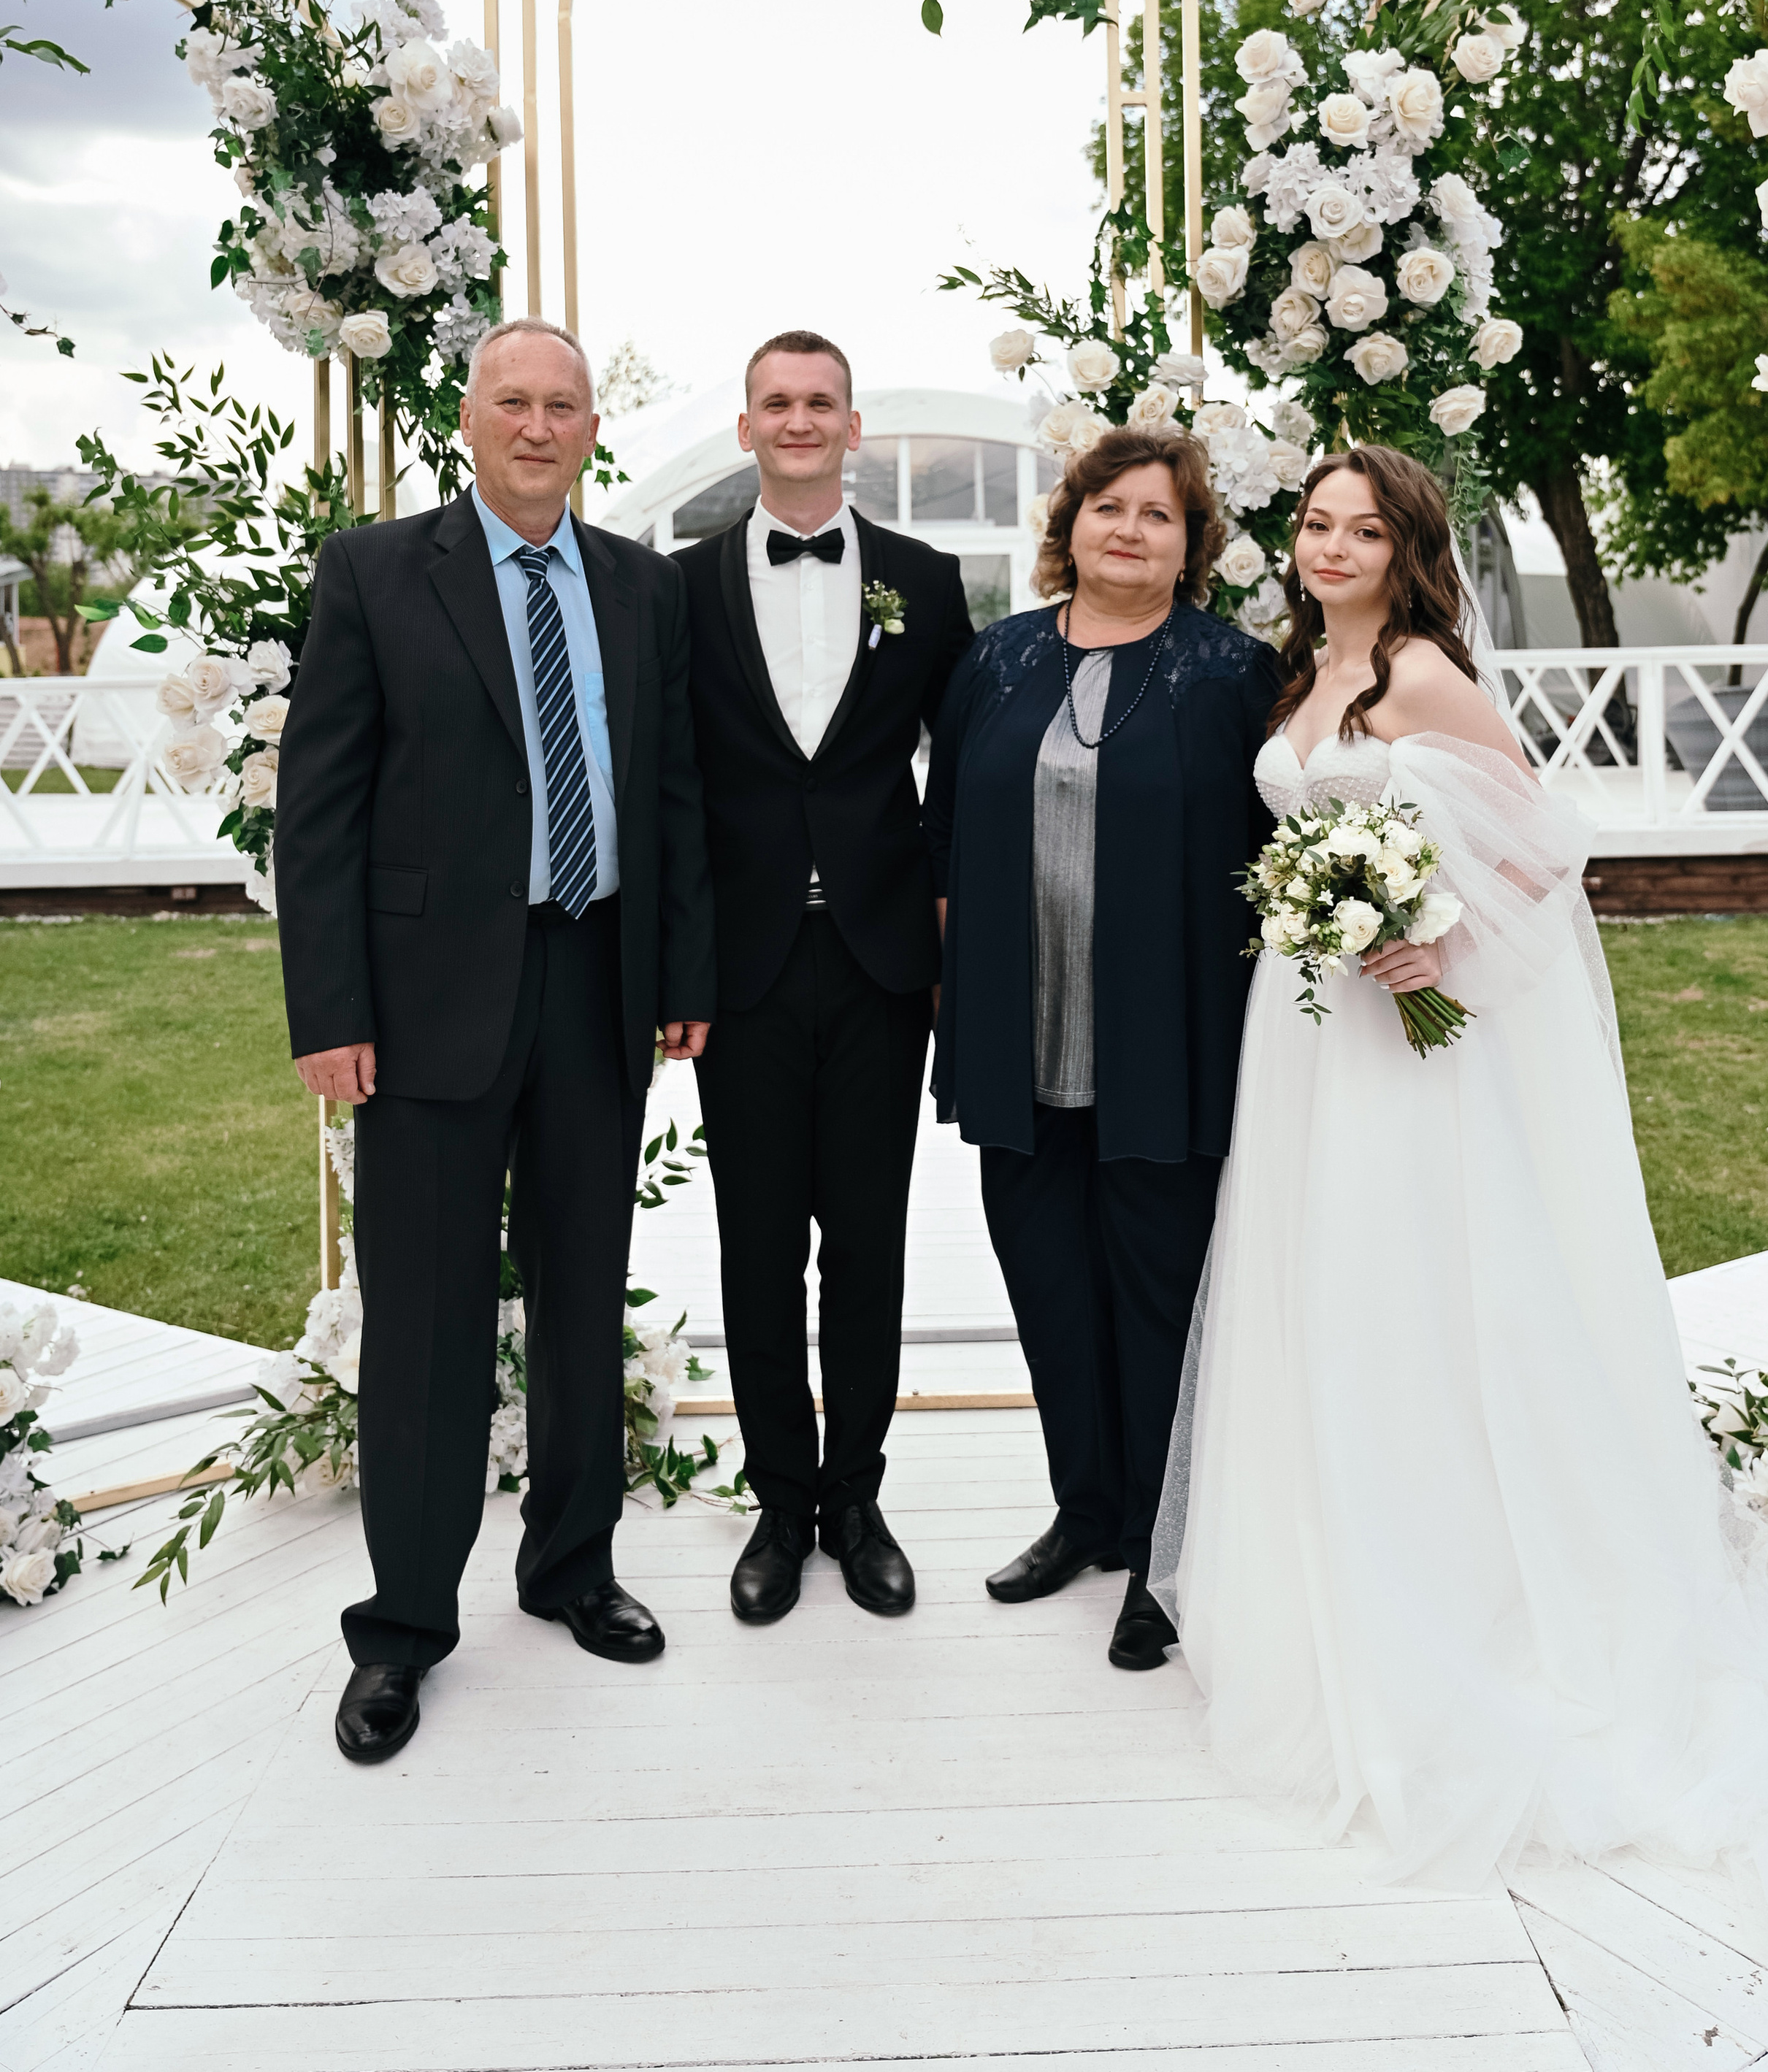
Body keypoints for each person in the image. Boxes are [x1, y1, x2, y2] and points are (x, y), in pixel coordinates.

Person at [1152, 443, 1768, 1979]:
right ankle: (1327, 1585)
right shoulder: (1302, 673)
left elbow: (1544, 847)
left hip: (1406, 1044)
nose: (1329, 547)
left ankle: (1471, 1592)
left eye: (1360, 530)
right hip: (1308, 1034)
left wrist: (1436, 940)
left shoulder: (1418, 674)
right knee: (1318, 1294)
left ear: (1405, 548)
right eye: (1315, 524)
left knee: (1413, 1292)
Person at [275, 315, 714, 1765]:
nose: (536, 427)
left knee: (585, 1296)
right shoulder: (374, 573)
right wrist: (331, 1012)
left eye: (561, 406)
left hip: (598, 985)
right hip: (422, 1005)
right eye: (511, 402)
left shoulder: (643, 588)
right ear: (468, 422)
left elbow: (670, 796)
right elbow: (318, 811)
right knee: (425, 1322)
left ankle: (571, 1567)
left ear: (591, 428)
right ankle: (403, 1624)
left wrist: (680, 972)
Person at [925, 425, 1282, 1671]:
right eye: (1108, 507)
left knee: (1157, 1300)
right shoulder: (997, 660)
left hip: (1165, 1043)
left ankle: (1159, 1549)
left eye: (1158, 515)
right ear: (1069, 524)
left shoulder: (1232, 672)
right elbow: (943, 840)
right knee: (1048, 1289)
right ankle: (1082, 1512)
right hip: (1016, 1035)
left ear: (1192, 546)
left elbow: (1271, 858)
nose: (1129, 530)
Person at [675, 331, 976, 1624]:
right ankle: (779, 1504)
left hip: (877, 959)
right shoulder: (678, 587)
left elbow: (962, 774)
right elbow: (666, 787)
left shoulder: (925, 580)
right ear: (746, 427)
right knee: (756, 1246)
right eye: (775, 404)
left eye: (820, 404)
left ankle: (857, 1499)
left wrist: (953, 936)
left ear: (853, 428)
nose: (798, 421)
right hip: (742, 967)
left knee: (865, 1240)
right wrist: (677, 968)